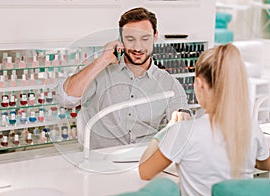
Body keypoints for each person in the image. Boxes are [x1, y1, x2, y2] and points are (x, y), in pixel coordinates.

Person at [138, 43, 270, 196]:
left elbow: (144, 171)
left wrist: (168, 129)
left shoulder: (185, 131)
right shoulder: (250, 127)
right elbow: (264, 163)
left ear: (199, 84)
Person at [56, 7, 190, 149]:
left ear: (155, 36)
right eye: (130, 39)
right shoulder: (102, 73)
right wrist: (104, 59)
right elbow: (65, 99)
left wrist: (181, 117)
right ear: (120, 39)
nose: (138, 47)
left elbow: (181, 115)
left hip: (143, 160)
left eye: (145, 38)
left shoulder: (168, 83)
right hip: (101, 161)